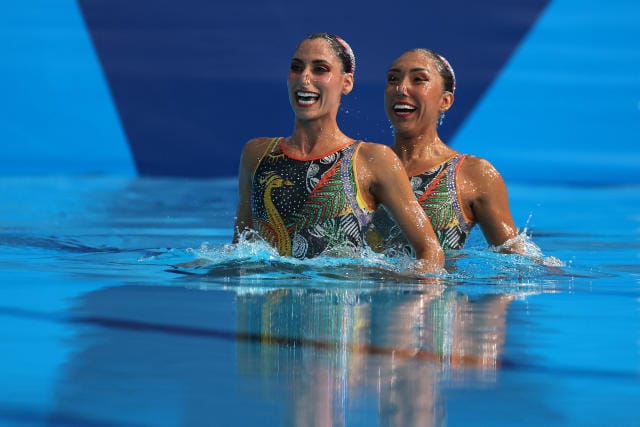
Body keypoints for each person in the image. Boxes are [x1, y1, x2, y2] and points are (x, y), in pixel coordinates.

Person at [233, 34, 444, 273]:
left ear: (347, 83)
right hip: (266, 305)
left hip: (338, 304)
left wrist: (405, 300)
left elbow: (431, 251)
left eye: (320, 69)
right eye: (296, 67)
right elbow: (242, 248)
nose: (304, 78)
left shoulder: (373, 159)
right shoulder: (257, 154)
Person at [368, 48, 524, 255]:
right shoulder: (364, 164)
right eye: (393, 79)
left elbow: (516, 261)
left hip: (433, 287)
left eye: (418, 79)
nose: (401, 88)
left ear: (445, 101)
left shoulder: (474, 175)